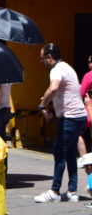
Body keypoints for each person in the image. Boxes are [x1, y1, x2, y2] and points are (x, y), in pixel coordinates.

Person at [34, 43, 88, 203]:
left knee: (59, 153)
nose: (41, 62)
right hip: (79, 116)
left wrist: (42, 104)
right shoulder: (66, 67)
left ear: (49, 57)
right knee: (70, 153)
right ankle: (72, 191)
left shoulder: (57, 70)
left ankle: (55, 191)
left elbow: (53, 88)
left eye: (42, 58)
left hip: (70, 117)